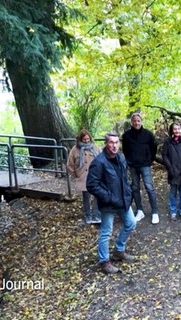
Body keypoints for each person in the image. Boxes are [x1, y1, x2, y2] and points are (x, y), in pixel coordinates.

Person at [86, 132, 136, 274]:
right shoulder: (99, 162)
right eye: (111, 143)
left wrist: (129, 191)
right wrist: (107, 196)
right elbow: (91, 185)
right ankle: (104, 261)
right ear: (106, 144)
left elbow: (124, 178)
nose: (114, 145)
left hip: (122, 199)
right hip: (108, 203)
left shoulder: (120, 158)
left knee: (131, 223)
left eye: (116, 142)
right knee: (106, 232)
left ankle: (119, 250)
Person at [122, 113, 160, 224]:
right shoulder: (126, 135)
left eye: (138, 121)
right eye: (134, 121)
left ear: (141, 121)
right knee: (135, 188)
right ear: (131, 122)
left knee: (149, 187)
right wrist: (129, 161)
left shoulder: (148, 134)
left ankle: (154, 212)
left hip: (145, 165)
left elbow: (154, 148)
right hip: (133, 165)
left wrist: (150, 160)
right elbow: (125, 150)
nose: (136, 123)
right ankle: (139, 210)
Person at [66, 129, 101, 224]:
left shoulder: (95, 148)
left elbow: (102, 160)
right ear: (80, 139)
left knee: (97, 196)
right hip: (82, 177)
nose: (86, 141)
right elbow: (70, 164)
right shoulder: (75, 149)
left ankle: (96, 215)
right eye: (84, 139)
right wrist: (75, 175)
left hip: (95, 176)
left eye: (87, 139)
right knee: (86, 197)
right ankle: (88, 216)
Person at [161, 122, 181, 220]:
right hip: (173, 171)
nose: (177, 131)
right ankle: (173, 212)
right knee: (173, 192)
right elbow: (164, 155)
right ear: (172, 130)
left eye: (178, 129)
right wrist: (169, 168)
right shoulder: (168, 142)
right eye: (175, 129)